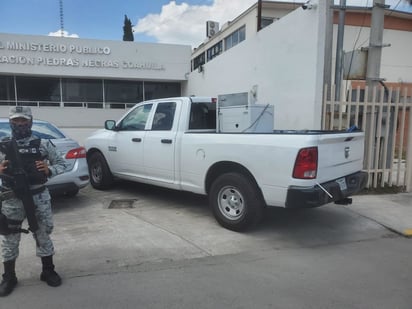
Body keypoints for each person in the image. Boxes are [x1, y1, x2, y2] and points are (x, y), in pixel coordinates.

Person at [0, 106, 67, 297]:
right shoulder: (2, 145)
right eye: (16, 120)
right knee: (10, 238)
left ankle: (48, 270)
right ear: (11, 122)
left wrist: (48, 170)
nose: (20, 124)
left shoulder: (43, 144)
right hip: (11, 199)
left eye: (24, 120)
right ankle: (9, 276)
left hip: (38, 197)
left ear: (30, 121)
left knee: (43, 232)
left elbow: (62, 164)